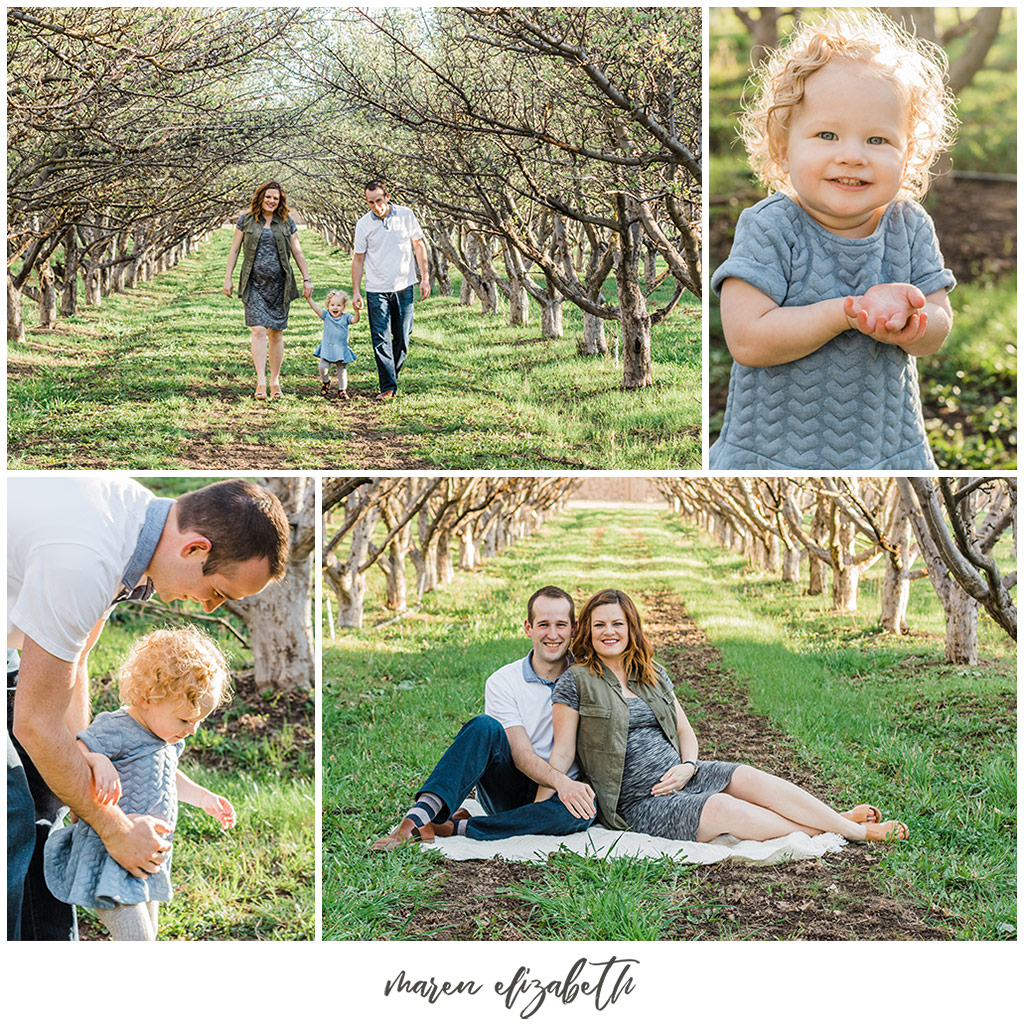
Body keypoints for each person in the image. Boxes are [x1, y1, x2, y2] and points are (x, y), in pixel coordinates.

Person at [7, 475, 289, 940]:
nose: (212, 608)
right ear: (196, 549)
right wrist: (113, 827)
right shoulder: (87, 557)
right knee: (11, 814)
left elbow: (74, 660)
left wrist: (84, 754)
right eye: (219, 591)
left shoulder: (132, 525)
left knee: (49, 795)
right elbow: (36, 725)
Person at [710, 11, 957, 469]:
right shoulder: (770, 227)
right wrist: (845, 312)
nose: (852, 156)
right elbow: (747, 339)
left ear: (911, 153)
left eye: (878, 140)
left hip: (886, 449)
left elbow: (937, 329)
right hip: (776, 454)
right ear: (784, 148)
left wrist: (914, 321)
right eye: (827, 134)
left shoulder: (910, 226)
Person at [546, 589, 909, 845]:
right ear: (587, 632)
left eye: (617, 624)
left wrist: (688, 766)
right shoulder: (576, 681)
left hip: (685, 775)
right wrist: (535, 810)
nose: (609, 632)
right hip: (641, 802)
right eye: (599, 626)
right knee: (723, 807)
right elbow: (562, 754)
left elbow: (685, 732)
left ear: (631, 628)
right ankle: (853, 830)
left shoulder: (650, 672)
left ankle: (836, 820)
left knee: (747, 776)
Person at [43, 628, 236, 941]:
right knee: (139, 941)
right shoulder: (117, 728)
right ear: (148, 698)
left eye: (200, 721)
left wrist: (203, 798)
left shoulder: (167, 736)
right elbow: (75, 751)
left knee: (148, 936)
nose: (193, 730)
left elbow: (169, 776)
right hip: (110, 855)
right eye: (186, 720)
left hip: (145, 856)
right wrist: (98, 761)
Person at [372, 586, 596, 849]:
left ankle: (454, 827)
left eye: (561, 625)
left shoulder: (588, 678)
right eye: (543, 625)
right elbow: (522, 756)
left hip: (559, 796)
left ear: (574, 628)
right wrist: (562, 782)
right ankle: (415, 820)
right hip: (510, 787)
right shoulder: (503, 681)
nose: (553, 634)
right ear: (528, 628)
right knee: (483, 726)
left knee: (585, 811)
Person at [223, 180, 314, 400]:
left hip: (280, 285)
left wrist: (306, 278)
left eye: (276, 198)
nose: (271, 201)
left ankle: (275, 380)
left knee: (276, 333)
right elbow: (234, 250)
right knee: (258, 330)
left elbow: (297, 251)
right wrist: (228, 278)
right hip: (253, 283)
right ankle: (261, 382)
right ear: (260, 197)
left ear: (280, 200)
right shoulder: (245, 220)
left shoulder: (286, 222)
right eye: (268, 196)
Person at [351, 180, 431, 402]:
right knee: (380, 338)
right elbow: (358, 259)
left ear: (387, 196)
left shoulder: (406, 215)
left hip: (404, 286)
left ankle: (391, 375)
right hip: (376, 288)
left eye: (379, 200)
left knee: (403, 337)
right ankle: (388, 386)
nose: (376, 206)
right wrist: (356, 291)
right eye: (370, 203)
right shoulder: (363, 224)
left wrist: (424, 278)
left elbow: (419, 245)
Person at [308, 288, 359, 399]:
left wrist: (356, 311)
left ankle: (342, 390)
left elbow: (355, 320)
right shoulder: (326, 315)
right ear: (328, 306)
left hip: (341, 348)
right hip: (327, 347)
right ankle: (325, 382)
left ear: (344, 307)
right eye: (332, 305)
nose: (335, 307)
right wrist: (309, 299)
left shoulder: (346, 317)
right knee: (323, 367)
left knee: (342, 370)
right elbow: (316, 309)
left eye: (339, 305)